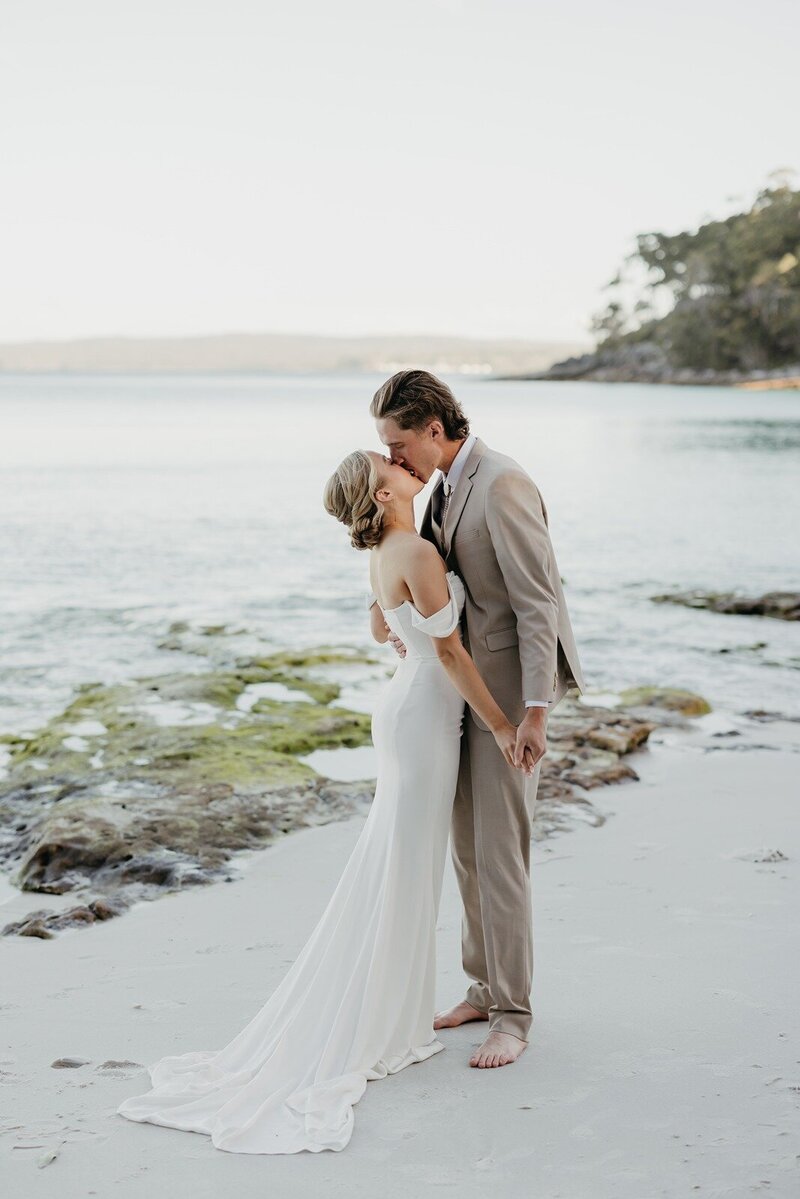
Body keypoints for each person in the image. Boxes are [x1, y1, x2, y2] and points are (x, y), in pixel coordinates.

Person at [116, 447, 525, 1155]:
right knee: (405, 864)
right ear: (384, 492)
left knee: (401, 861)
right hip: (427, 715)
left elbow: (380, 626)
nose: (400, 461)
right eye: (388, 464)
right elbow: (452, 653)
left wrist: (410, 641)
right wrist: (500, 722)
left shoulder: (391, 549)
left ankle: (394, 1013)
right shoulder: (416, 551)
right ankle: (387, 1021)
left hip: (407, 709)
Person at [371, 369, 585, 1069]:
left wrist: (533, 713)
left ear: (435, 428)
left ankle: (515, 1014)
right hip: (455, 701)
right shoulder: (440, 490)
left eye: (399, 443)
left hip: (504, 705)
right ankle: (482, 985)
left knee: (500, 857)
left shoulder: (503, 484)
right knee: (466, 848)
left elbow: (537, 605)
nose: (395, 458)